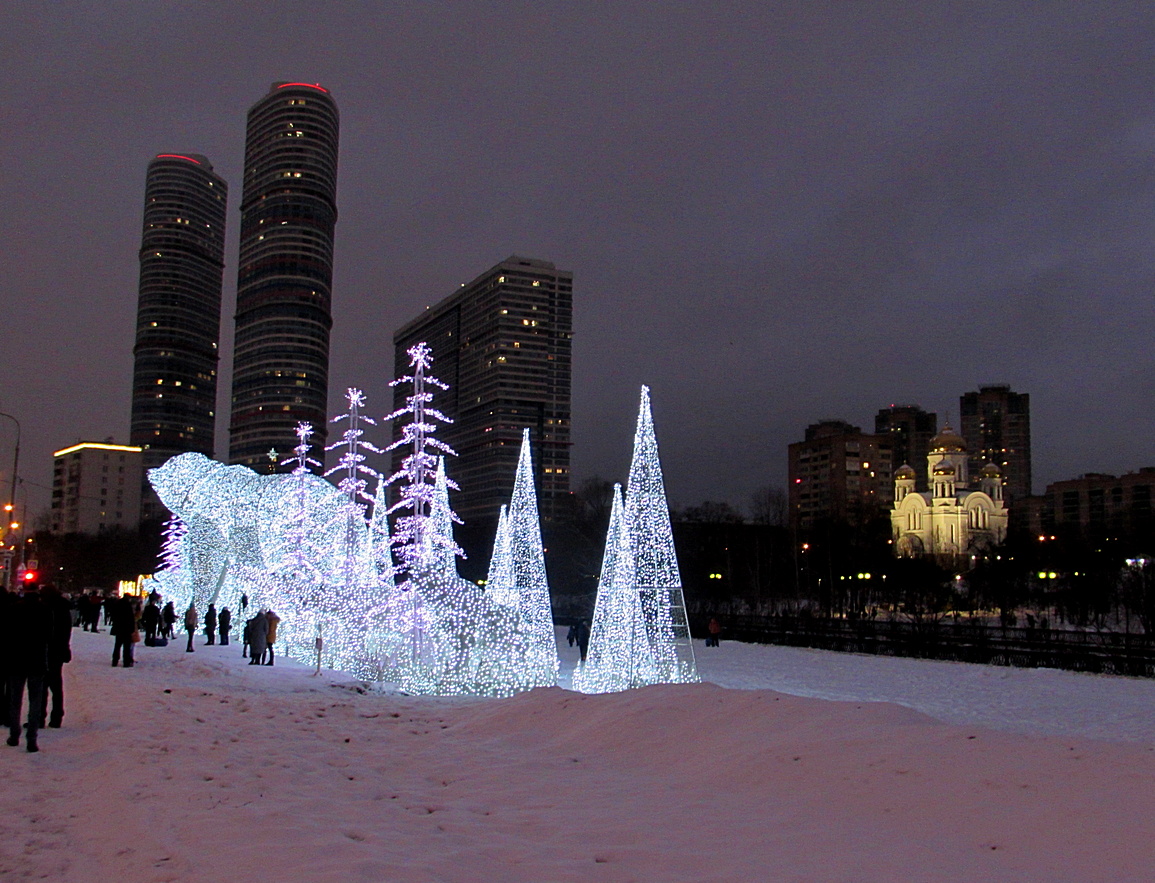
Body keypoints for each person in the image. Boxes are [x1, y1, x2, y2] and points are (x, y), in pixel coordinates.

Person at [4, 584, 51, 752]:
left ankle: (14, 735)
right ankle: (32, 738)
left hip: (16, 660)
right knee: (35, 701)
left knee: (15, 700)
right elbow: (48, 634)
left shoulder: (13, 609)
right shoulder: (44, 610)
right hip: (36, 660)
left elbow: (7, 634)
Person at [39, 584, 72, 728]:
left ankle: (40, 716)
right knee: (56, 685)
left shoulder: (45, 607)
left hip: (45, 649)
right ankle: (57, 716)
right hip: (58, 650)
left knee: (42, 685)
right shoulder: (63, 608)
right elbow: (66, 630)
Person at [110, 595, 137, 667]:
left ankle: (115, 661)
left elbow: (113, 615)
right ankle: (126, 662)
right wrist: (132, 629)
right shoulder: (128, 606)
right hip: (127, 629)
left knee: (117, 645)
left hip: (119, 628)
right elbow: (131, 618)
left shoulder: (117, 604)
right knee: (126, 647)